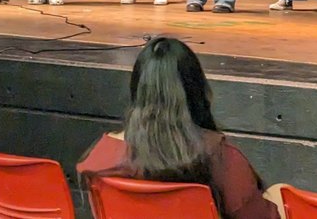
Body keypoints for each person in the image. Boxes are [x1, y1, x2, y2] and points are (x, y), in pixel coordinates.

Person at [77, 37, 280, 219]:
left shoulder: (101, 158)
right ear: (198, 91)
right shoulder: (221, 158)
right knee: (280, 193)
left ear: (137, 91)